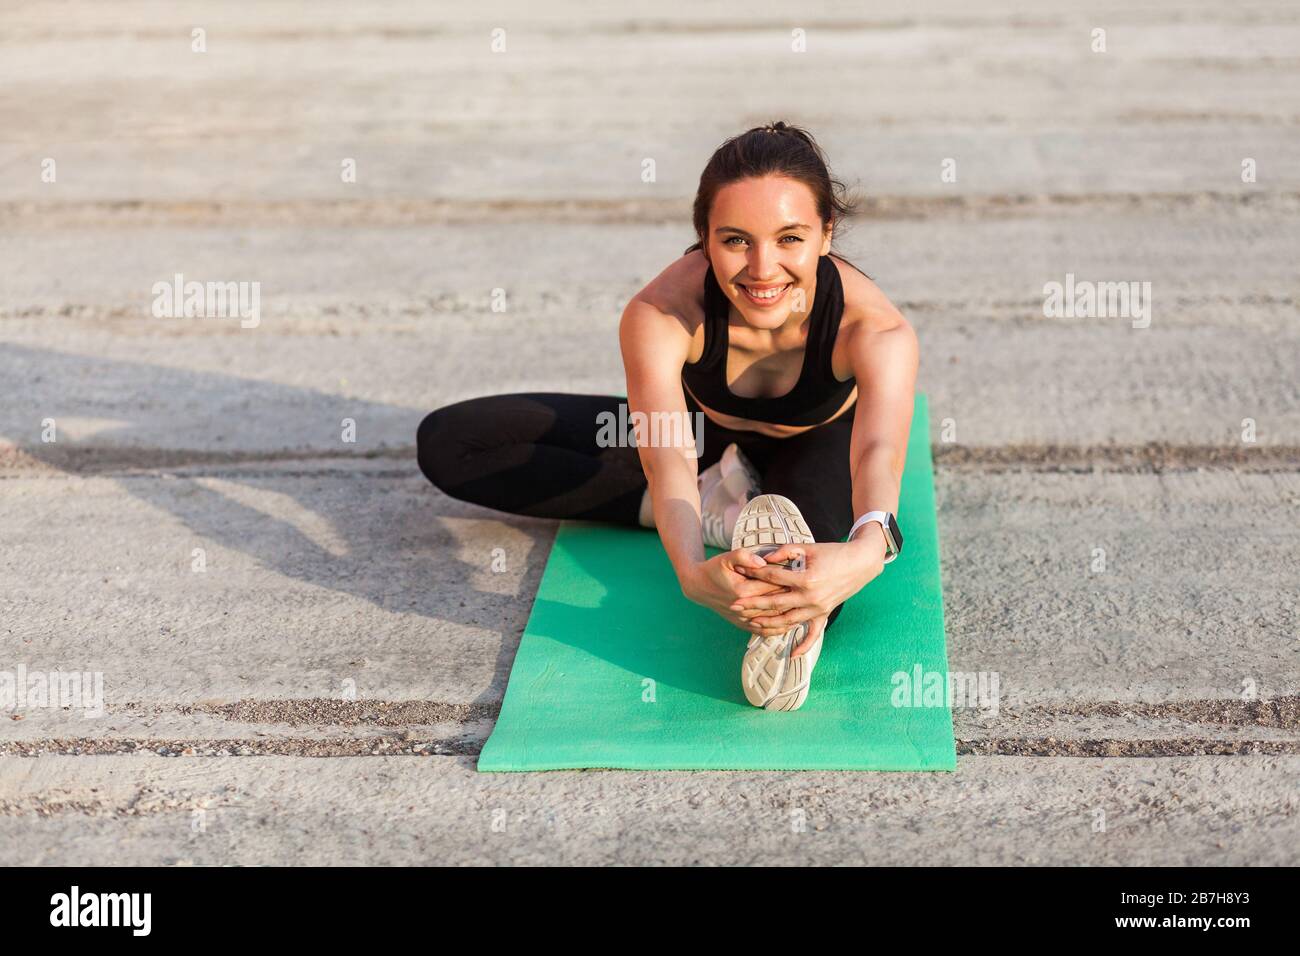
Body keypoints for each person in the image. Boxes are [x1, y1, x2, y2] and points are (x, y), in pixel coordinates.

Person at [418, 121, 918, 711]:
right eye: (735, 240)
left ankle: (781, 589)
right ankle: (718, 514)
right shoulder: (661, 313)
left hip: (822, 447)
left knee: (804, 566)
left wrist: (867, 549)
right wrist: (689, 570)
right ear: (704, 236)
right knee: (452, 442)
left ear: (825, 234)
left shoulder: (875, 328)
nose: (762, 269)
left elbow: (876, 451)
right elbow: (666, 448)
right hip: (700, 444)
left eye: (789, 238)